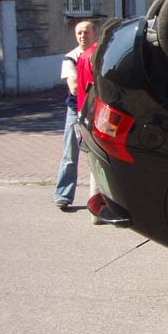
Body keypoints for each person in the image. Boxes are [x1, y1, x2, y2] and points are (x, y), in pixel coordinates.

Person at [54, 21, 95, 209]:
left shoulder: (100, 54)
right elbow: (74, 88)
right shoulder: (70, 58)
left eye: (86, 32)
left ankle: (101, 199)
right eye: (79, 32)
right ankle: (63, 195)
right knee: (70, 154)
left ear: (94, 33)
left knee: (98, 155)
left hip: (97, 109)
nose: (82, 36)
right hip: (76, 110)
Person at [76, 38, 103, 225]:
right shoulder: (99, 55)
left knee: (94, 163)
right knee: (101, 163)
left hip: (85, 113)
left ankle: (96, 211)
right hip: (98, 114)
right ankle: (98, 210)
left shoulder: (83, 56)